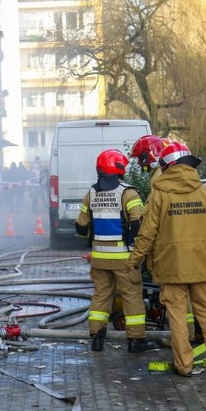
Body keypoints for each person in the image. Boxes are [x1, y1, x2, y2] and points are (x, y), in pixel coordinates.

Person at [127, 141, 206, 377]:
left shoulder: (158, 195)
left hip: (171, 266)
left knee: (177, 316)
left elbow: (147, 232)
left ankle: (184, 365)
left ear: (167, 166)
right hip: (202, 264)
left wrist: (134, 259)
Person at [74, 149, 156, 353]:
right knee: (132, 297)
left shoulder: (91, 193)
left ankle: (96, 336)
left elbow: (81, 228)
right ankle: (136, 340)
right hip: (124, 260)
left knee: (101, 296)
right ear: (120, 168)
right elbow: (138, 224)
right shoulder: (128, 193)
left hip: (99, 259)